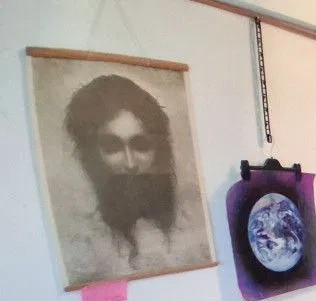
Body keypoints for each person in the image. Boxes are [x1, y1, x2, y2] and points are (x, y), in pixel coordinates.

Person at [61, 74, 207, 281]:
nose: (130, 164)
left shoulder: (191, 216)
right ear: (93, 153)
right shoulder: (84, 236)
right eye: (113, 147)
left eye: (141, 145)